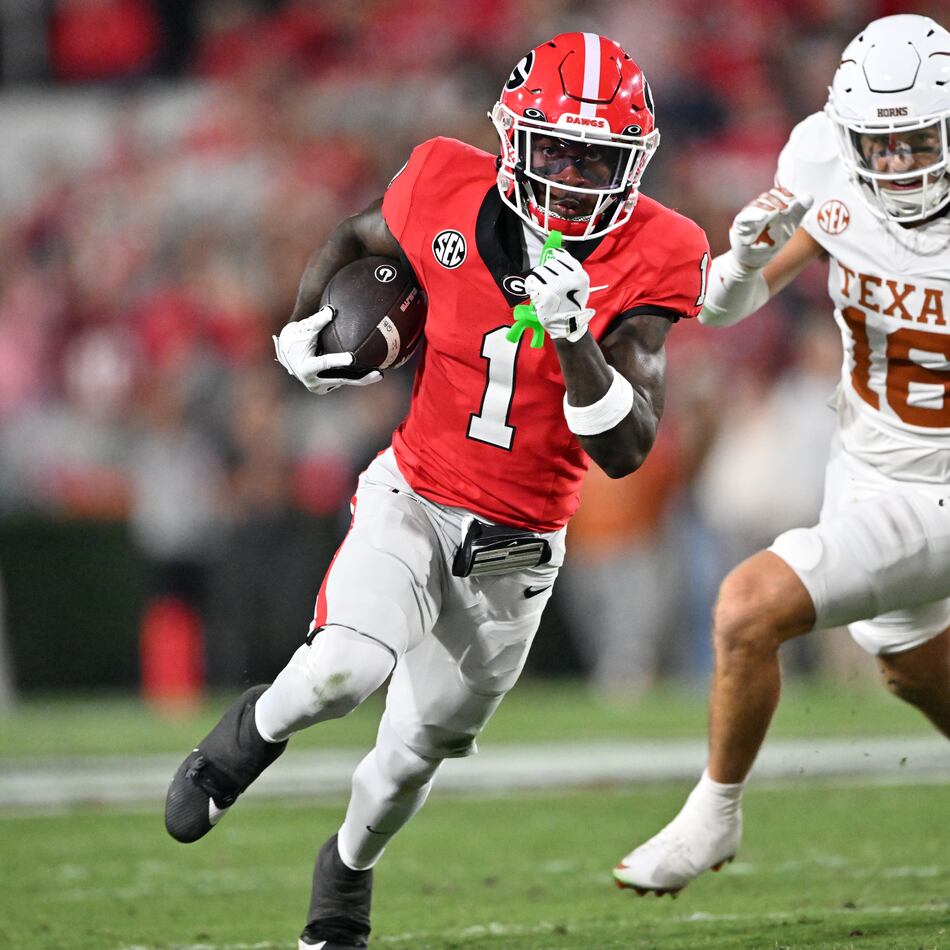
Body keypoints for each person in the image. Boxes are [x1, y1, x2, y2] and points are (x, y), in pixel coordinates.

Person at [162, 32, 710, 948]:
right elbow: (354, 235)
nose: (574, 177)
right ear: (514, 138)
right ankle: (246, 735)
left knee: (412, 758)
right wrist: (302, 329)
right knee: (343, 670)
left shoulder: (658, 250)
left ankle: (344, 871)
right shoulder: (445, 183)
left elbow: (625, 449)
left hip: (519, 546)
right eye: (559, 151)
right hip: (414, 492)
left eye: (597, 158)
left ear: (634, 163)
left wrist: (576, 340)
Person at [614, 13, 950, 896]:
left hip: (943, 485)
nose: (900, 166)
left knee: (746, 607)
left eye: (919, 141)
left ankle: (712, 815)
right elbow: (724, 309)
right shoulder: (826, 165)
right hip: (868, 466)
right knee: (911, 668)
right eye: (881, 145)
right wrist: (738, 262)